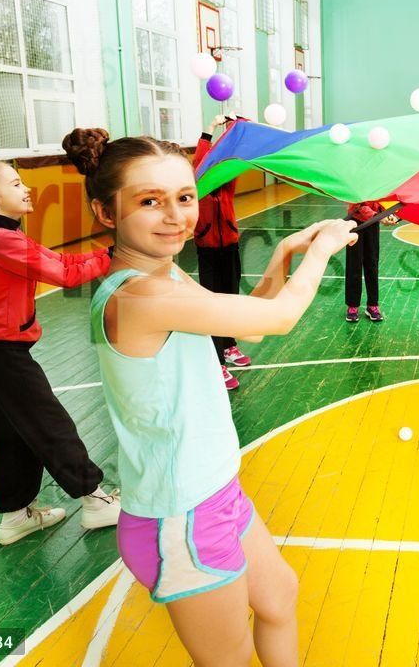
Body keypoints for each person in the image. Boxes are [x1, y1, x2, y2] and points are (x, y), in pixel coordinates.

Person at [62, 128, 356, 666]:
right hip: (181, 516)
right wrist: (324, 251)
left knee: (279, 597)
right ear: (105, 213)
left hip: (215, 494)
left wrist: (286, 253)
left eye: (184, 197)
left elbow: (250, 328)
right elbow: (282, 317)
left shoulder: (165, 274)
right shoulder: (141, 294)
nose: (175, 216)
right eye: (149, 201)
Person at [0, 160, 121, 546]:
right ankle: (96, 500)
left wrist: (109, 252)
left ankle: (15, 516)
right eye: (15, 183)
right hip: (1, 354)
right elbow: (67, 275)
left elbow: (63, 261)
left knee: (12, 434)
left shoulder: (3, 234)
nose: (26, 189)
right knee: (50, 425)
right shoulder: (1, 241)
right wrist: (114, 255)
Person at [192, 117, 250, 391]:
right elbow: (199, 161)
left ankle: (229, 346)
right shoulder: (197, 184)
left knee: (231, 298)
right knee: (213, 305)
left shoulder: (227, 184)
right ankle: (217, 363)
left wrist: (233, 127)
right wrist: (209, 130)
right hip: (207, 249)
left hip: (229, 245)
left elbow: (236, 151)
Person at [345, 200, 385, 322]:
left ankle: (373, 305)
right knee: (354, 265)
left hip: (373, 222)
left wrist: (386, 214)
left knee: (372, 264)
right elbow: (356, 203)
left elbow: (382, 199)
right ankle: (352, 306)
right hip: (355, 222)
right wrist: (377, 216)